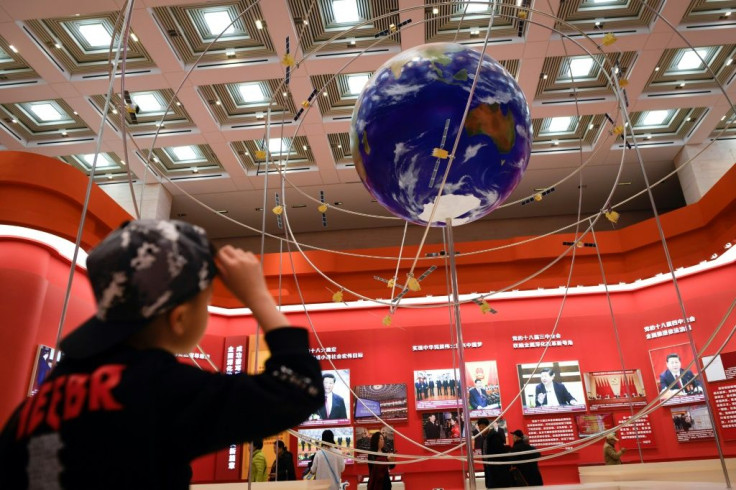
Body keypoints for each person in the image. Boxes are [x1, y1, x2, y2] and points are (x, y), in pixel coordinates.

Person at [0, 219, 323, 489]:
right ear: (179, 318)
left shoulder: (45, 397)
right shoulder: (156, 386)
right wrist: (258, 297)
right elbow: (299, 389)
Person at [483, 424, 513, 489]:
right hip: (491, 467)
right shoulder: (485, 439)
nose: (481, 429)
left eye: (482, 427)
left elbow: (501, 451)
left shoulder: (494, 437)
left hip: (497, 468)